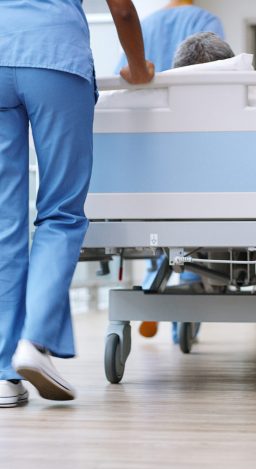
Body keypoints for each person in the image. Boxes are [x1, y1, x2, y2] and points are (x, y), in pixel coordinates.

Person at [0, 0, 154, 408]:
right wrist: (138, 67)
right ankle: (33, 343)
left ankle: (3, 375)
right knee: (61, 214)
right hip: (55, 60)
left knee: (4, 223)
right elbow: (121, 10)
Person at [115, 0, 225, 342]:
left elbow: (122, 80)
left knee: (156, 219)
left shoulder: (143, 23)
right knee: (194, 219)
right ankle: (186, 311)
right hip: (194, 137)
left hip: (151, 141)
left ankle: (154, 279)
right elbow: (220, 72)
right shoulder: (205, 20)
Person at [116, 0, 224, 73]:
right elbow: (213, 72)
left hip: (147, 104)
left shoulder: (143, 25)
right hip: (188, 102)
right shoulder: (206, 20)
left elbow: (122, 73)